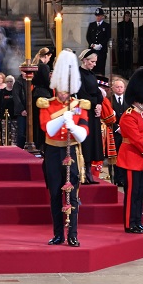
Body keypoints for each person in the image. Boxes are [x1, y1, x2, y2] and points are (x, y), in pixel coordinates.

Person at [38, 50, 89, 247]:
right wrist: (62, 118)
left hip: (72, 152)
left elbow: (83, 133)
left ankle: (73, 234)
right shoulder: (46, 105)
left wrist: (73, 127)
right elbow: (47, 129)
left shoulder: (79, 105)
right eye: (60, 89)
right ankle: (58, 233)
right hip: (52, 152)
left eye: (66, 89)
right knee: (54, 195)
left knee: (73, 195)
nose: (63, 93)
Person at [115, 67, 143, 234]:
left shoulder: (142, 115)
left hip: (141, 161)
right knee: (132, 194)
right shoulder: (128, 115)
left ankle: (138, 221)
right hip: (132, 159)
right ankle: (129, 223)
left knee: (140, 193)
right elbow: (136, 139)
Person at [76, 48, 104, 185]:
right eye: (92, 61)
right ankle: (84, 172)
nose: (94, 64)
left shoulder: (92, 74)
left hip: (94, 112)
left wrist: (99, 104)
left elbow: (98, 92)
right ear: (85, 60)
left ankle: (89, 172)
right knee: (86, 142)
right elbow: (81, 93)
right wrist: (95, 104)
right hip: (84, 111)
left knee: (93, 141)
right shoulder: (78, 74)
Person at [31, 47, 53, 152]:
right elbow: (46, 82)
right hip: (44, 95)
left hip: (36, 94)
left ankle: (37, 143)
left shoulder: (35, 65)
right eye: (49, 57)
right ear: (46, 56)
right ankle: (42, 145)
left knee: (36, 120)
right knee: (43, 121)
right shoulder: (44, 66)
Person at [86, 8, 111, 75]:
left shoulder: (106, 26)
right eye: (97, 16)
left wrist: (100, 45)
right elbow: (88, 36)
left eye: (99, 16)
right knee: (92, 68)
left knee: (101, 67)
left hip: (102, 50)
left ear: (102, 16)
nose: (98, 17)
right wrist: (92, 44)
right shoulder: (92, 25)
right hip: (93, 50)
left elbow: (107, 37)